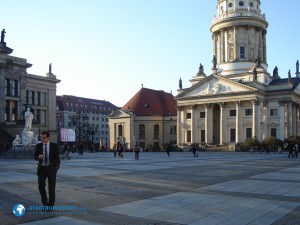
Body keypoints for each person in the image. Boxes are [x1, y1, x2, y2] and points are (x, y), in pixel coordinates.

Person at [34, 131, 60, 208]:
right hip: (42, 169)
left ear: (48, 138)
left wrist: (56, 168)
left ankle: (50, 206)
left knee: (51, 188)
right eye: (42, 137)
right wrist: (38, 157)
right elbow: (35, 157)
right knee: (41, 186)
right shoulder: (38, 146)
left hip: (51, 170)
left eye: (44, 137)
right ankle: (45, 203)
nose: (42, 139)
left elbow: (57, 159)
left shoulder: (54, 146)